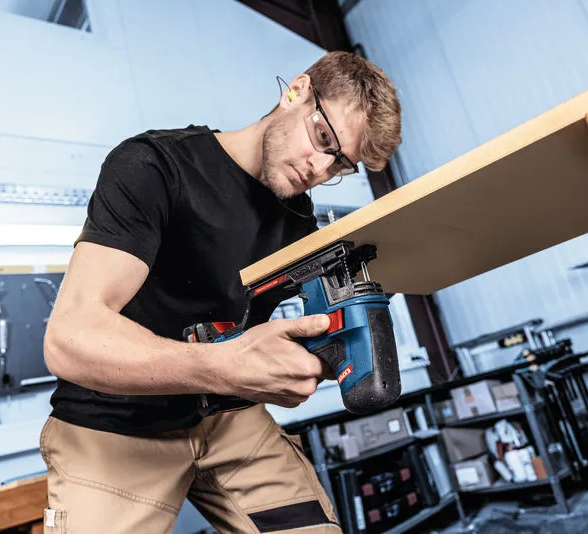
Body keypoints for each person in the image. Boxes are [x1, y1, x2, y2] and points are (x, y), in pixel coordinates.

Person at [40, 50, 401, 533]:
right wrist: (225, 364)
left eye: (340, 166)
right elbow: (69, 339)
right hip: (111, 425)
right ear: (296, 91)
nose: (319, 169)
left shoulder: (298, 219)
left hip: (229, 417)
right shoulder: (154, 167)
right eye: (322, 140)